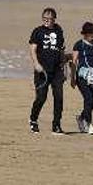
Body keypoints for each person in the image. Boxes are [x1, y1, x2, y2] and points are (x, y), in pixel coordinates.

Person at [28, 7, 66, 135]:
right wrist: (36, 64)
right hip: (42, 71)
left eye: (50, 19)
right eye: (45, 19)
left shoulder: (59, 30)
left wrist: (64, 68)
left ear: (54, 19)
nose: (47, 21)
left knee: (59, 98)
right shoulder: (37, 31)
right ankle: (33, 120)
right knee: (41, 98)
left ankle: (56, 125)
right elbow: (32, 49)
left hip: (56, 71)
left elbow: (61, 50)